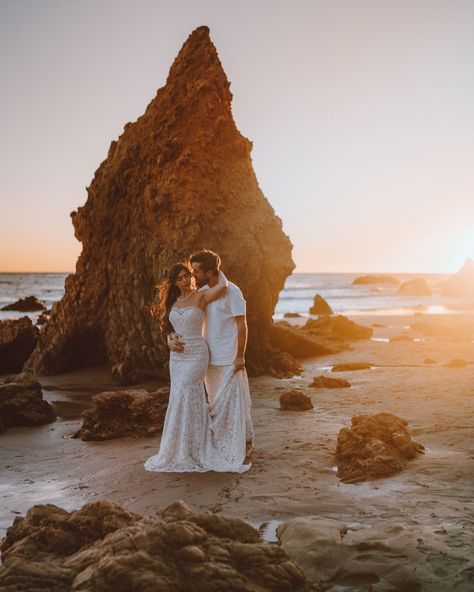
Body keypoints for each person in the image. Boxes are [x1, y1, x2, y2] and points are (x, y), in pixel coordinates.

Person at [144, 262, 250, 473]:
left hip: (196, 354)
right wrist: (169, 339)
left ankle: (197, 448)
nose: (186, 279)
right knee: (178, 396)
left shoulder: (201, 295)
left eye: (188, 275)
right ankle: (179, 448)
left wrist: (217, 267)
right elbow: (168, 326)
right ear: (174, 282)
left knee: (187, 392)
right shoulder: (172, 300)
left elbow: (224, 286)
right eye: (181, 277)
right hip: (177, 357)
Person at [169, 250, 254, 460]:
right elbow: (182, 320)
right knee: (215, 402)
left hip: (228, 356)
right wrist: (170, 337)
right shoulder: (203, 292)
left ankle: (246, 441)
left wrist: (240, 356)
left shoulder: (232, 291)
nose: (193, 274)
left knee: (237, 400)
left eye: (197, 271)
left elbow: (242, 325)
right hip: (206, 356)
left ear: (209, 271)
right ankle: (223, 440)